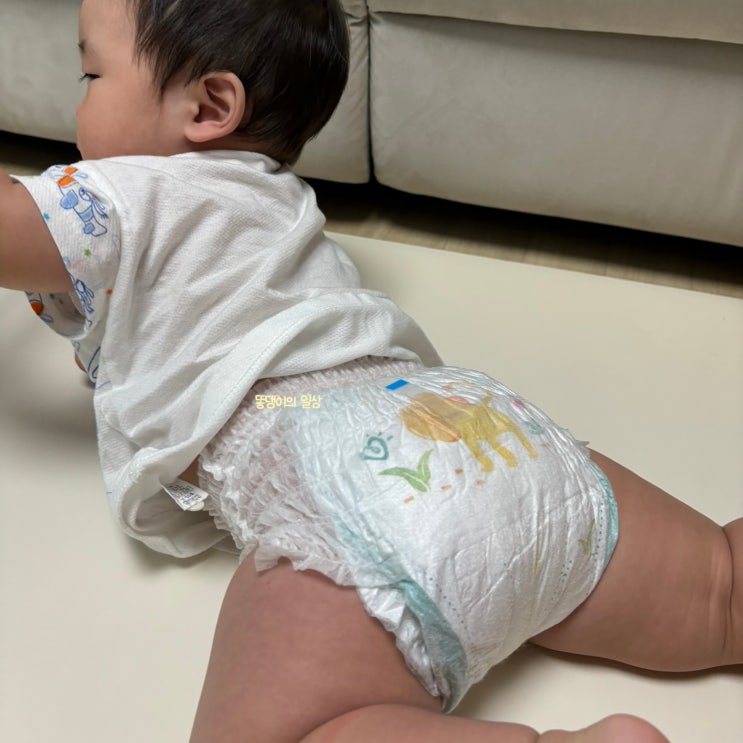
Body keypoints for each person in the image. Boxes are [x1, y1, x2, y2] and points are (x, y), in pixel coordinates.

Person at [0, 1, 739, 741]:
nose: (78, 102)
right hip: (473, 422)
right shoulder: (275, 201)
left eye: (92, 74)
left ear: (210, 106)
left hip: (342, 484)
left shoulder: (122, 192)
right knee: (720, 586)